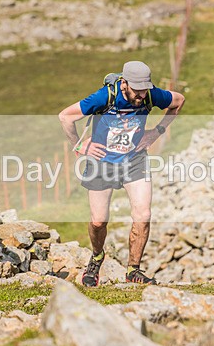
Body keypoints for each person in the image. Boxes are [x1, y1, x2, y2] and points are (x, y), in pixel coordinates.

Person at [59, 61, 185, 286]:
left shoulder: (150, 95)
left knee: (143, 215)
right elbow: (65, 117)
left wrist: (156, 132)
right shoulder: (104, 96)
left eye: (144, 89)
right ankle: (97, 258)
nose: (140, 95)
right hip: (101, 163)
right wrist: (79, 146)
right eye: (136, 90)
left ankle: (133, 270)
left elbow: (178, 101)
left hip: (134, 161)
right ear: (124, 83)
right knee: (98, 221)